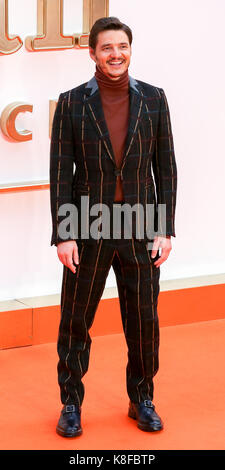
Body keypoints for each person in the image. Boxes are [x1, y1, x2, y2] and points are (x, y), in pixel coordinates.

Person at [50, 16, 177, 438]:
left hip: (141, 225)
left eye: (121, 46)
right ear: (92, 53)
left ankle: (142, 397)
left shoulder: (155, 99)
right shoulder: (70, 103)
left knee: (143, 319)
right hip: (88, 224)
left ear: (130, 49)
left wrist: (164, 228)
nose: (115, 54)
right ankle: (71, 402)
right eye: (106, 48)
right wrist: (64, 233)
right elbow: (61, 173)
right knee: (75, 319)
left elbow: (166, 169)